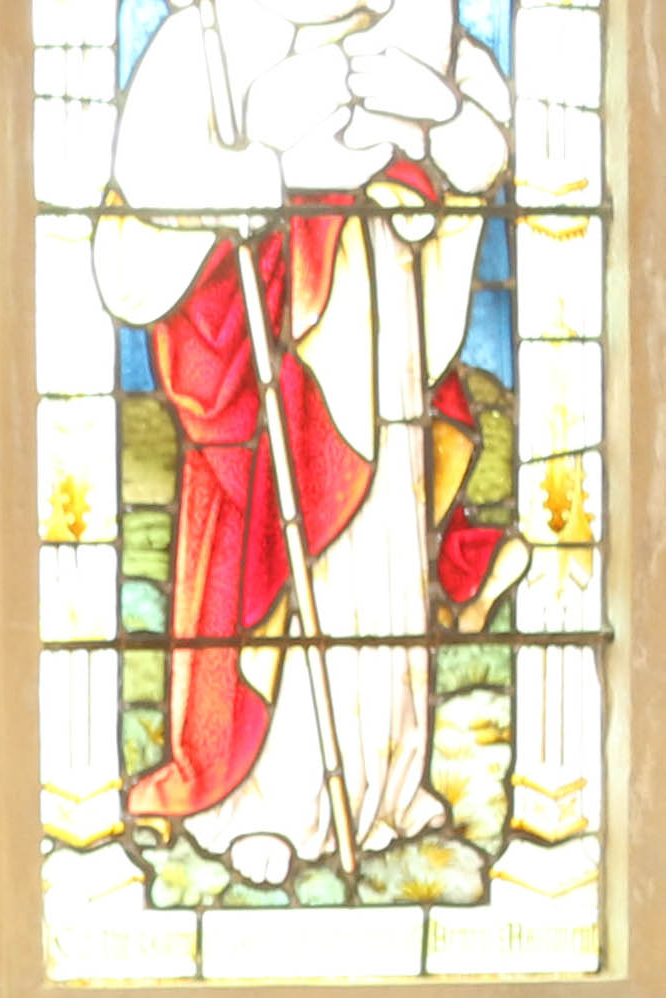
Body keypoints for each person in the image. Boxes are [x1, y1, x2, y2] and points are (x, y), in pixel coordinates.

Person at [95, 0, 521, 883]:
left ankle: (385, 783)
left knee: (382, 553)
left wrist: (435, 116)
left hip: (382, 337)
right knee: (270, 555)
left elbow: (487, 151)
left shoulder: (423, 32)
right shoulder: (202, 38)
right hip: (270, 357)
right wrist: (264, 165)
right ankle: (255, 800)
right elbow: (145, 182)